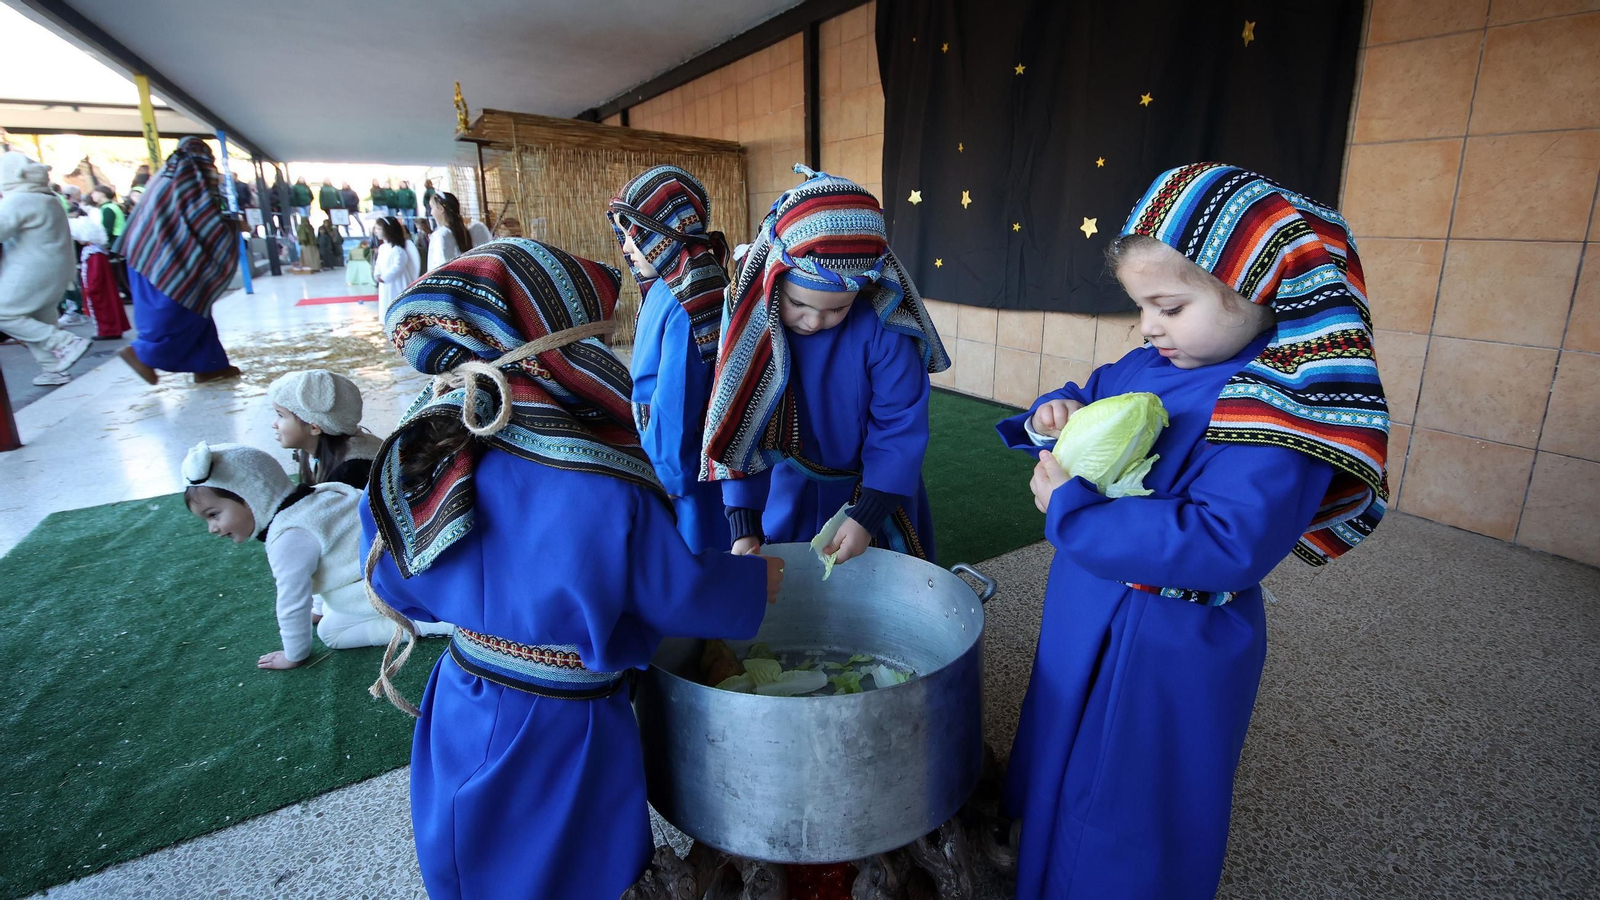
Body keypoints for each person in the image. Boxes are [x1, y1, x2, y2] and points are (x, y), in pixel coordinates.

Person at [997, 163, 1390, 899]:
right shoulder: (1154, 359)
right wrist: (1054, 410)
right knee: (1063, 744)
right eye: (1141, 308)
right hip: (1091, 601)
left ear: (1255, 289)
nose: (1149, 327)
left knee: (1125, 796)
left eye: (1169, 307)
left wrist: (1073, 511)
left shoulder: (1281, 407)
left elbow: (1227, 542)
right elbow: (1095, 394)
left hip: (1166, 637)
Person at [359, 238, 782, 899]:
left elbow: (392, 580)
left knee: (467, 847)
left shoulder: (425, 451)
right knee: (573, 861)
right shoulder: (599, 483)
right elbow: (669, 591)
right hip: (565, 725)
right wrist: (755, 582)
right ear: (564, 356)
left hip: (465, 694)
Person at [703, 165, 951, 567]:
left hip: (874, 491)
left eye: (837, 308)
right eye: (798, 304)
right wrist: (744, 520)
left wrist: (869, 513)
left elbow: (899, 423)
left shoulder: (884, 330)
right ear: (773, 280)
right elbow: (739, 424)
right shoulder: (757, 331)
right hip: (789, 489)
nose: (814, 321)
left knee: (881, 585)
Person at [181, 441, 449, 672]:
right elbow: (331, 555)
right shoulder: (321, 493)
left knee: (330, 633)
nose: (212, 529)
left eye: (214, 514)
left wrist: (293, 654)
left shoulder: (288, 536)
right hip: (409, 570)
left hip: (395, 588)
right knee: (330, 615)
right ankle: (426, 611)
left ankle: (423, 624)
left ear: (251, 495)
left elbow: (292, 599)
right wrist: (319, 609)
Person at [608, 165, 732, 552]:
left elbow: (678, 401)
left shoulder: (687, 296)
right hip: (678, 458)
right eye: (624, 233)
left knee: (696, 553)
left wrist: (669, 476)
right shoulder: (675, 283)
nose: (627, 246)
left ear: (664, 228)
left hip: (683, 471)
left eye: (634, 233)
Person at [115, 137, 241, 385]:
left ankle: (209, 365)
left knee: (198, 309)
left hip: (145, 256)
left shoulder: (163, 178)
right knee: (179, 313)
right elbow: (205, 221)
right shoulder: (189, 179)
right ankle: (143, 353)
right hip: (171, 263)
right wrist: (232, 224)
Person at [0, 151, 91, 386]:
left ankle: (62, 342)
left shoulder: (19, 200)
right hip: (55, 270)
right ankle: (53, 369)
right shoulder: (48, 198)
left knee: (4, 313)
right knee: (36, 319)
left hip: (31, 269)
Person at [269, 369, 383, 487]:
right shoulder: (330, 453)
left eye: (280, 415)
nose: (274, 424)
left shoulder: (348, 473)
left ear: (314, 427)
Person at [372, 217, 416, 320]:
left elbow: (398, 266)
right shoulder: (382, 248)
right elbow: (378, 264)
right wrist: (377, 274)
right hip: (385, 284)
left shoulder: (398, 250)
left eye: (379, 229)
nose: (376, 231)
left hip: (397, 282)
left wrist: (385, 277)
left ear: (387, 230)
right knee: (386, 303)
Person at [426, 191, 471, 269]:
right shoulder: (464, 231)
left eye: (432, 207)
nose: (431, 213)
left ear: (441, 209)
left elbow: (436, 267)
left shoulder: (440, 235)